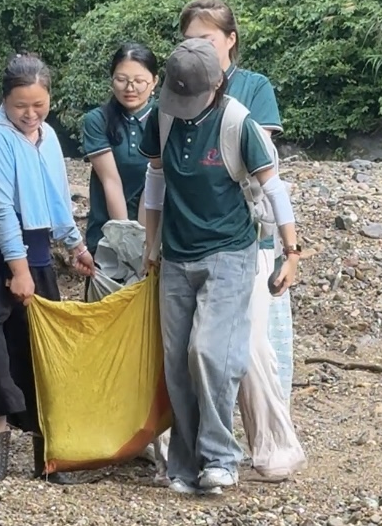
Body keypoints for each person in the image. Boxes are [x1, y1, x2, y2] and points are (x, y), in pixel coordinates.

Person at [140, 38, 302, 495]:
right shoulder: (164, 117)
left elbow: (274, 190)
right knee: (176, 362)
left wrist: (291, 253)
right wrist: (150, 243)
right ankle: (185, 464)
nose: (185, 107)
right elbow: (156, 178)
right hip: (176, 253)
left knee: (208, 351)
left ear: (217, 85)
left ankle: (221, 458)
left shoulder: (238, 122)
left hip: (230, 251)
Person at [0, 53, 96, 485]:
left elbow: (55, 196)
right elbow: (0, 211)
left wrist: (75, 245)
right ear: (4, 101)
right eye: (20, 107)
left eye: (39, 106)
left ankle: (47, 458)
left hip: (33, 252)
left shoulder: (47, 136)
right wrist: (19, 270)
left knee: (39, 352)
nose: (30, 115)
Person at [179, 0, 296, 402]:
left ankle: (271, 442)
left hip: (249, 231)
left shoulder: (254, 87)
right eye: (188, 42)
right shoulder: (178, 91)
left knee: (256, 345)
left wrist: (289, 246)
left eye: (206, 40)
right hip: (189, 237)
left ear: (231, 39)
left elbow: (262, 167)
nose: (197, 50)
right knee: (197, 346)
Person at [81, 43, 159, 297]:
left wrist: (147, 244)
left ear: (155, 81)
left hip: (156, 235)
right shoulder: (97, 121)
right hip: (108, 236)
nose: (130, 88)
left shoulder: (164, 118)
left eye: (139, 81)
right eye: (122, 80)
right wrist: (125, 241)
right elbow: (110, 181)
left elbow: (155, 181)